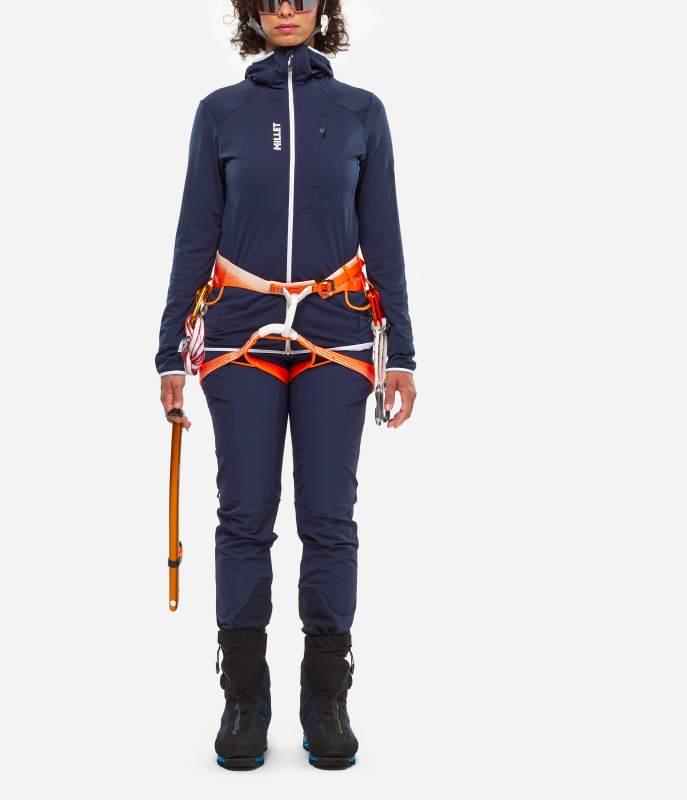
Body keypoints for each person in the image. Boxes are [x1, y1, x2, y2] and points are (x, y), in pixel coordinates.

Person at [156, 0, 416, 770]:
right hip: (238, 335)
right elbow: (195, 232)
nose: (287, 9)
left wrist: (402, 351)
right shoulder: (221, 114)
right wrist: (169, 353)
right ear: (252, 12)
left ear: (323, 8)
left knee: (330, 518)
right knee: (243, 516)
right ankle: (243, 696)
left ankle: (326, 696)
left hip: (338, 334)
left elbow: (384, 236)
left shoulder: (362, 112)